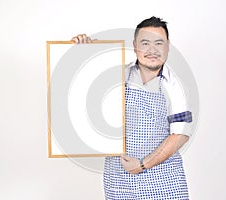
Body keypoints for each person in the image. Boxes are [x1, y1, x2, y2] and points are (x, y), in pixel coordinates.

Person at [72, 16, 193, 200]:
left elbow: (180, 134)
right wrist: (85, 49)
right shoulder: (117, 74)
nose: (152, 50)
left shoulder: (175, 85)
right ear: (135, 46)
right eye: (145, 43)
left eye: (158, 43)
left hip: (165, 183)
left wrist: (143, 164)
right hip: (120, 182)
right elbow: (85, 81)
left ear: (168, 46)